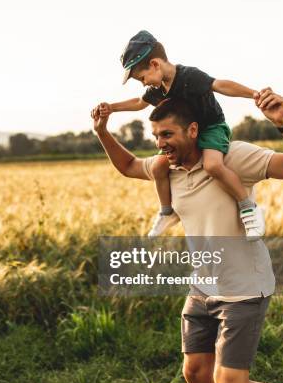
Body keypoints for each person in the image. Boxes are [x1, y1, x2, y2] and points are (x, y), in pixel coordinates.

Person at [92, 88, 283, 383]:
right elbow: (129, 165)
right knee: (197, 374)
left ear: (193, 130)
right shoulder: (167, 168)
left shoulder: (233, 157)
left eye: (167, 134)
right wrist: (102, 131)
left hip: (243, 287)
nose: (160, 143)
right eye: (156, 136)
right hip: (202, 287)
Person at [91, 30, 265, 240]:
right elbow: (139, 103)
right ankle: (167, 212)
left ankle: (248, 208)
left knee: (213, 165)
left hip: (210, 127)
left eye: (142, 78)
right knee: (158, 166)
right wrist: (111, 107)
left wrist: (254, 94)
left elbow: (220, 85)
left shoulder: (188, 76)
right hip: (186, 136)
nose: (144, 83)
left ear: (155, 64)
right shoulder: (158, 88)